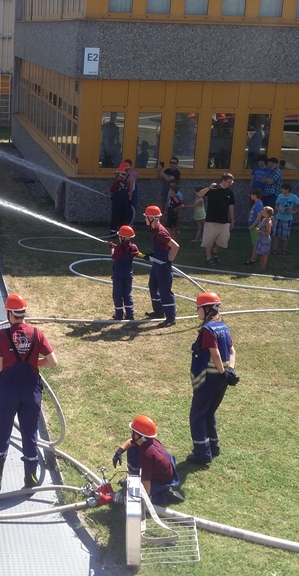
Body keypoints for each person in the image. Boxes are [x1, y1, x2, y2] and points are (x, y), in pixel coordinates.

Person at [0, 294, 58, 491]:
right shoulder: (37, 333)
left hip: (8, 390)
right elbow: (53, 361)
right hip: (31, 391)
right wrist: (34, 361)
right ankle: (30, 480)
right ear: (24, 313)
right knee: (29, 433)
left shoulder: (2, 335)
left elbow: (0, 367)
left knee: (2, 433)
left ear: (9, 313)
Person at [187, 292, 237, 465]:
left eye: (198, 308)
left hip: (209, 379)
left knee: (197, 415)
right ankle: (213, 447)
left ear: (207, 308)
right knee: (209, 413)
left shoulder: (208, 329)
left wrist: (222, 371)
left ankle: (202, 453)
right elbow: (232, 351)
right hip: (222, 380)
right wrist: (230, 371)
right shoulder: (223, 326)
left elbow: (214, 354)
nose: (197, 312)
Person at [111, 415, 184, 505]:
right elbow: (131, 442)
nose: (132, 434)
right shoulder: (148, 441)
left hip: (161, 481)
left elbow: (146, 481)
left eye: (134, 432)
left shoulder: (147, 455)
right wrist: (119, 452)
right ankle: (133, 480)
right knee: (132, 450)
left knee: (137, 496)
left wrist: (144, 498)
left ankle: (165, 494)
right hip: (163, 470)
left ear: (141, 436)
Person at [141, 206, 180, 327]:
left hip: (163, 264)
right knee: (153, 285)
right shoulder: (154, 229)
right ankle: (158, 311)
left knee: (165, 290)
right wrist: (153, 255)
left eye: (146, 217)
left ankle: (170, 317)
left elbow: (175, 246)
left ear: (151, 218)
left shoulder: (161, 232)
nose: (145, 219)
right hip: (157, 262)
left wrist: (169, 262)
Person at [196, 173, 236, 266]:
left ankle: (215, 251)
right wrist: (209, 188)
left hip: (224, 221)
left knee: (224, 239)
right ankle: (208, 258)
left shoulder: (230, 192)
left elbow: (231, 206)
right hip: (211, 220)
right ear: (223, 180)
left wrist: (232, 220)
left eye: (231, 182)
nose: (230, 184)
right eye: (229, 182)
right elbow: (199, 194)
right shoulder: (213, 189)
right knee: (209, 240)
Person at [108, 225, 140, 320]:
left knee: (117, 294)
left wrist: (111, 248)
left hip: (118, 274)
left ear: (122, 237)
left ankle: (119, 314)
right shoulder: (133, 247)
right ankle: (130, 314)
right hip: (128, 273)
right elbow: (135, 255)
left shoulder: (118, 248)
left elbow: (113, 257)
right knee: (127, 293)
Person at [270, 183, 299, 255]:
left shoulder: (293, 197)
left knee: (286, 235)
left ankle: (284, 249)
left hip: (287, 218)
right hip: (279, 217)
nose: (281, 190)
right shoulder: (280, 196)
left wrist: (293, 211)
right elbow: (276, 205)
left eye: (282, 189)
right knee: (276, 234)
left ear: (287, 190)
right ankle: (275, 249)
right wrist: (278, 209)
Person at [109, 163, 133, 234]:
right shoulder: (126, 184)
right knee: (123, 218)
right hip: (125, 204)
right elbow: (129, 193)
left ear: (118, 175)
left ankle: (113, 232)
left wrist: (112, 197)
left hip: (117, 204)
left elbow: (111, 193)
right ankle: (123, 232)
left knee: (115, 217)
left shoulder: (115, 184)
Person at [243, 189, 264, 265]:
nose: (250, 196)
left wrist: (252, 226)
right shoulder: (256, 203)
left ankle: (253, 259)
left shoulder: (258, 204)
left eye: (251, 194)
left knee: (255, 243)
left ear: (255, 195)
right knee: (254, 242)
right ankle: (254, 258)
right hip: (254, 226)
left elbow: (259, 217)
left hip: (255, 226)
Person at [254, 206, 274, 272]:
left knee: (265, 254)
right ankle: (260, 266)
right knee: (262, 254)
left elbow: (268, 232)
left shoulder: (268, 222)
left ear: (267, 213)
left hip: (265, 240)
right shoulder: (264, 220)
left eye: (263, 211)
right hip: (262, 238)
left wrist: (260, 231)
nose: (262, 212)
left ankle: (263, 267)